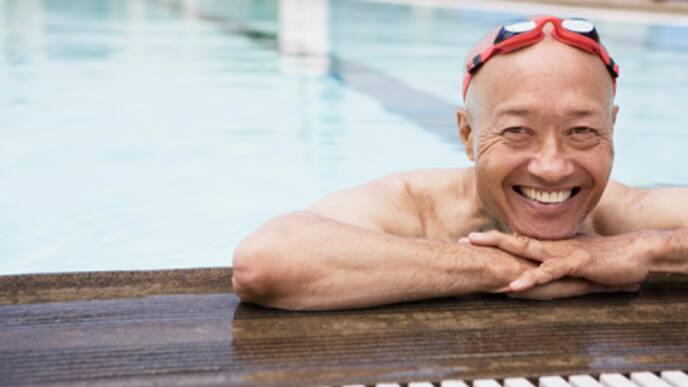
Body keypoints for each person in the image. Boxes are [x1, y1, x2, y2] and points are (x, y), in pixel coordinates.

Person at [232, 16, 688, 310]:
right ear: (467, 135)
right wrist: (504, 269)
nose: (552, 167)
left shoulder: (620, 216)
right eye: (516, 131)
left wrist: (643, 250)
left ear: (612, 129)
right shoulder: (412, 207)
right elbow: (264, 263)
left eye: (582, 132)